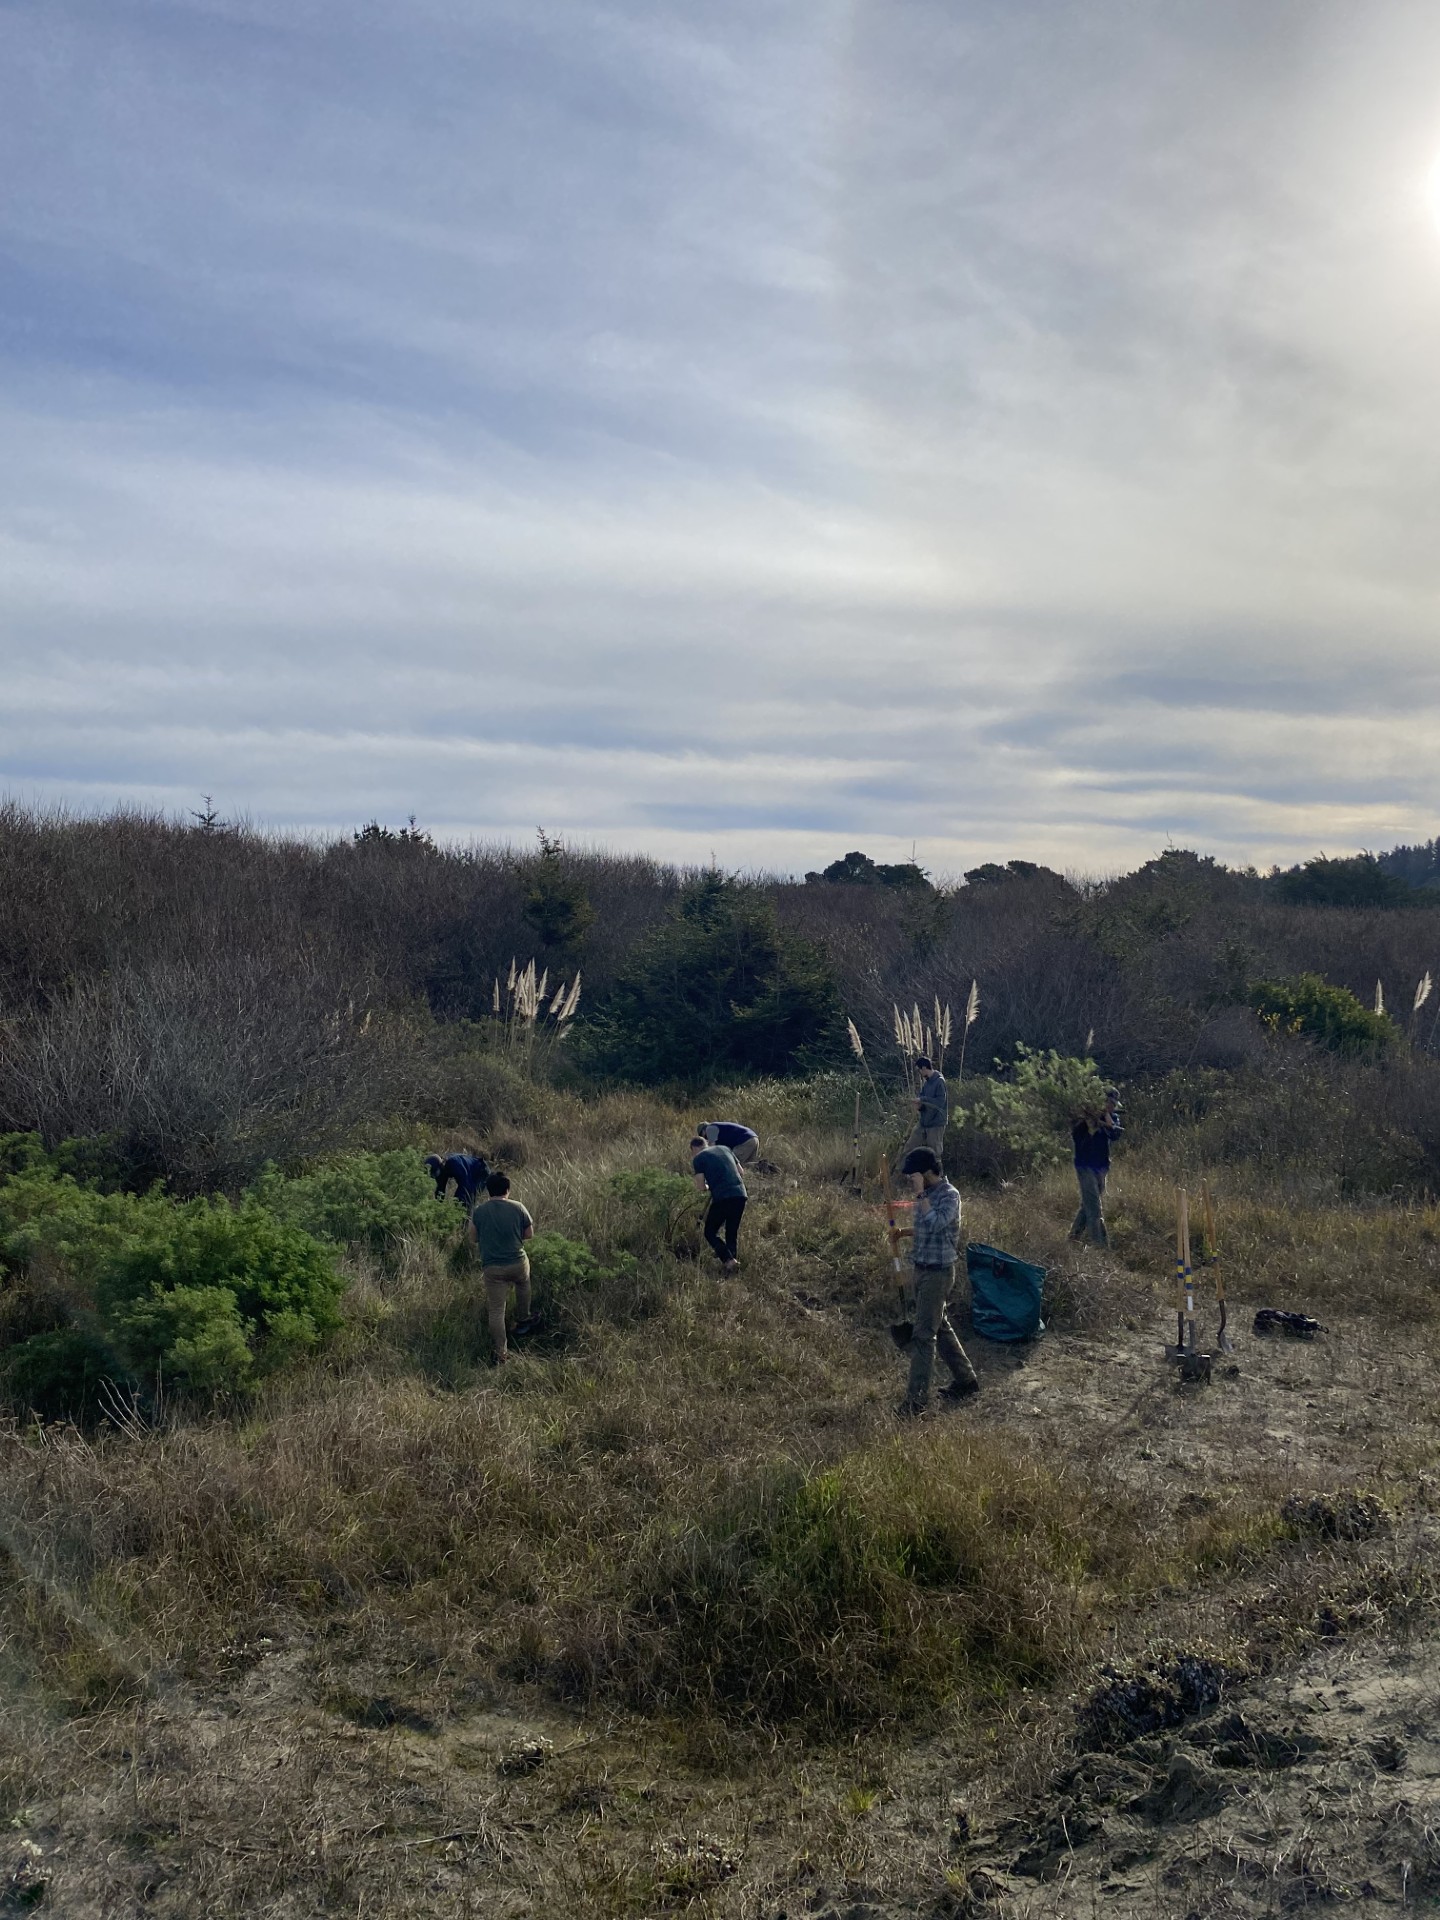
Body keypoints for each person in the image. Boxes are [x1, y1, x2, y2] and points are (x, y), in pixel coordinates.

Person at [896, 1147, 978, 1415]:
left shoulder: (950, 1196)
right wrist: (903, 1233)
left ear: (928, 1172)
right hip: (921, 1269)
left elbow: (938, 1224)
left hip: (939, 1273)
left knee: (923, 1335)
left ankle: (916, 1401)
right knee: (939, 1326)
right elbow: (923, 1228)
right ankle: (966, 1381)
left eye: (914, 1175)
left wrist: (921, 1194)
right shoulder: (926, 1196)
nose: (911, 1179)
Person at [469, 1171, 535, 1363]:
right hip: (517, 1262)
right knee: (524, 1284)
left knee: (497, 1309)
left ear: (489, 1191)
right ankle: (524, 1319)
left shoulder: (479, 1211)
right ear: (508, 1189)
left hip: (493, 1268)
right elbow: (529, 1234)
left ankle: (501, 1351)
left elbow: (473, 1238)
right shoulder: (518, 1207)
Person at [1070, 1088, 1122, 1248]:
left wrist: (1106, 1118)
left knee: (1087, 1206)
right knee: (1094, 1208)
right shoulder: (1082, 1117)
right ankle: (1101, 1247)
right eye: (1110, 1103)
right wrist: (1091, 1119)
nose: (1112, 1107)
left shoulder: (1112, 1118)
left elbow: (1115, 1134)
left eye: (1114, 1104)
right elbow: (1076, 1134)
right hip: (1085, 1166)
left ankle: (1072, 1239)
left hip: (1102, 1167)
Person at [690, 1132, 747, 1270]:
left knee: (709, 1232)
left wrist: (711, 1185)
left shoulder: (699, 1159)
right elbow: (741, 1172)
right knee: (731, 1231)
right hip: (740, 1194)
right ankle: (732, 1263)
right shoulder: (725, 1148)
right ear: (706, 1144)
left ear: (694, 1149)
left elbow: (701, 1186)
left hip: (722, 1197)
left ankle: (728, 1259)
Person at [903, 1056, 948, 1163]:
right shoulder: (927, 1083)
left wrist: (922, 1100)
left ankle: (938, 1178)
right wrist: (919, 1105)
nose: (920, 1073)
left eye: (919, 1070)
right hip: (923, 1123)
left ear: (924, 1068)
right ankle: (904, 1173)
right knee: (909, 1147)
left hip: (936, 1124)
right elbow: (923, 1100)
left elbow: (940, 1102)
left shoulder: (939, 1081)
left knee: (934, 1154)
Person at [696, 1120, 760, 1167]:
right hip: (753, 1138)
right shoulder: (719, 1130)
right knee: (749, 1166)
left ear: (703, 1130)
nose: (705, 1139)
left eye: (703, 1136)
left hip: (745, 1140)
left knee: (731, 1163)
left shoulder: (710, 1128)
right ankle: (766, 1167)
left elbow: (712, 1148)